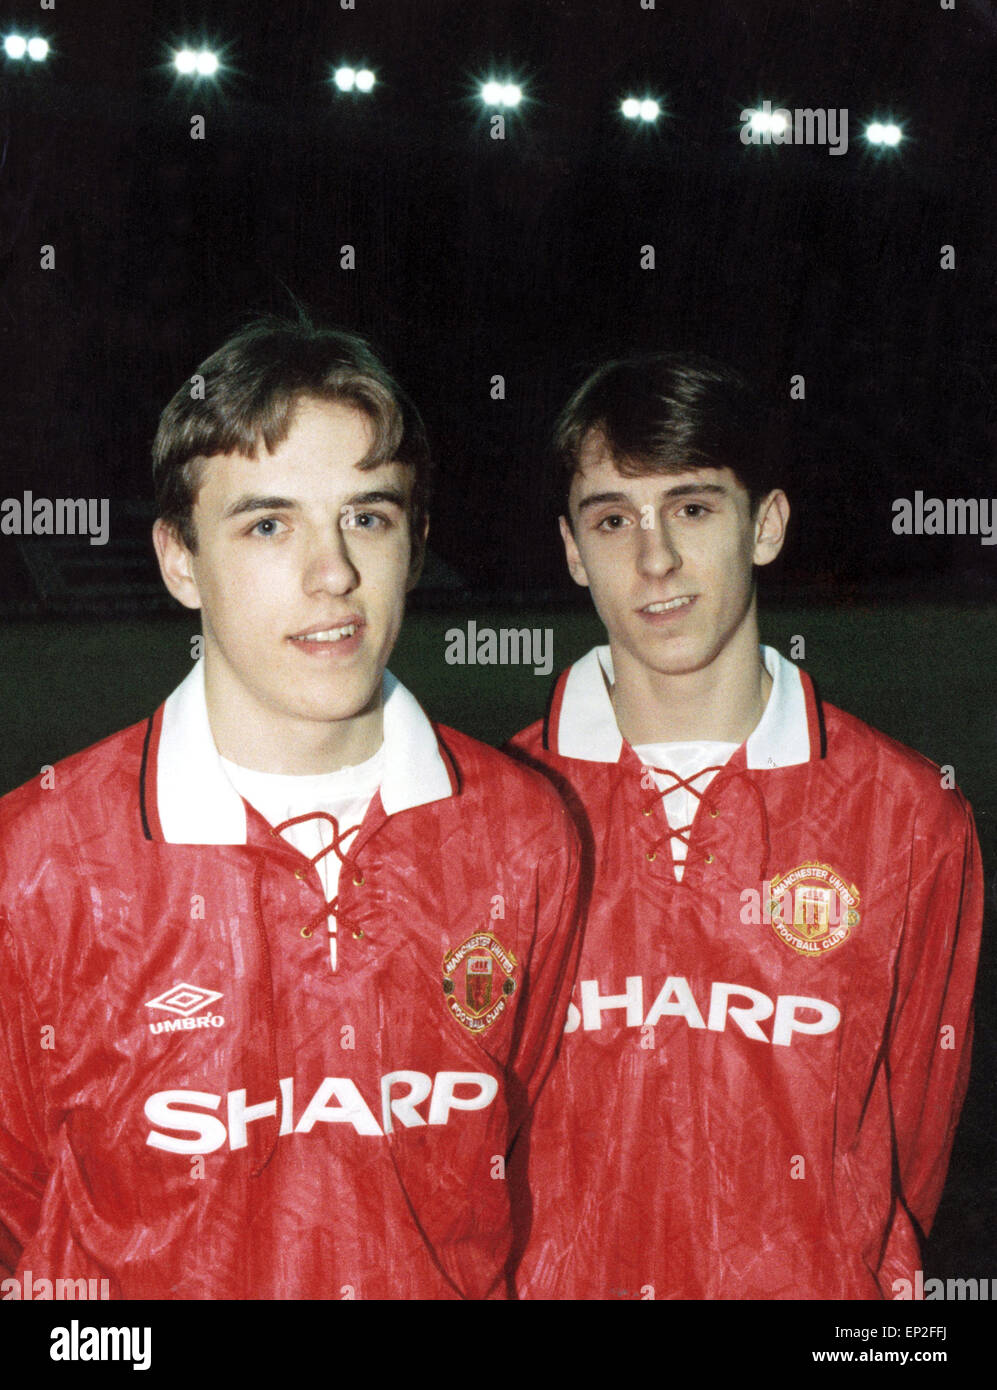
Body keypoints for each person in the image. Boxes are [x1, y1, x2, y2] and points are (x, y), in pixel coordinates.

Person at [0, 317, 582, 1301]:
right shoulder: (39, 861)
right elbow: (24, 1210)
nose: (333, 576)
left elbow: (529, 1171)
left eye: (367, 517)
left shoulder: (525, 833)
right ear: (180, 560)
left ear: (416, 539)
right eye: (269, 524)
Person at [507, 352, 982, 1300]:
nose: (653, 560)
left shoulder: (908, 816)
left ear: (762, 525)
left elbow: (909, 1148)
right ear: (571, 549)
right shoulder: (491, 817)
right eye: (612, 519)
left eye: (690, 508)